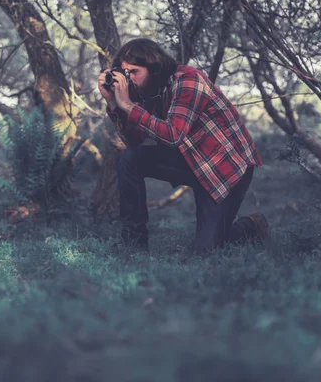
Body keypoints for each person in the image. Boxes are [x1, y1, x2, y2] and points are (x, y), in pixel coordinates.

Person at [98, 38, 268, 252]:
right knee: (129, 158)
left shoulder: (188, 79)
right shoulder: (146, 91)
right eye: (125, 73)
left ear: (154, 68)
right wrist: (114, 103)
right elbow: (133, 141)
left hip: (225, 168)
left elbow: (173, 134)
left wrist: (128, 106)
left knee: (207, 251)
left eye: (134, 72)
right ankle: (133, 245)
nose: (129, 79)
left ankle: (251, 227)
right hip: (190, 161)